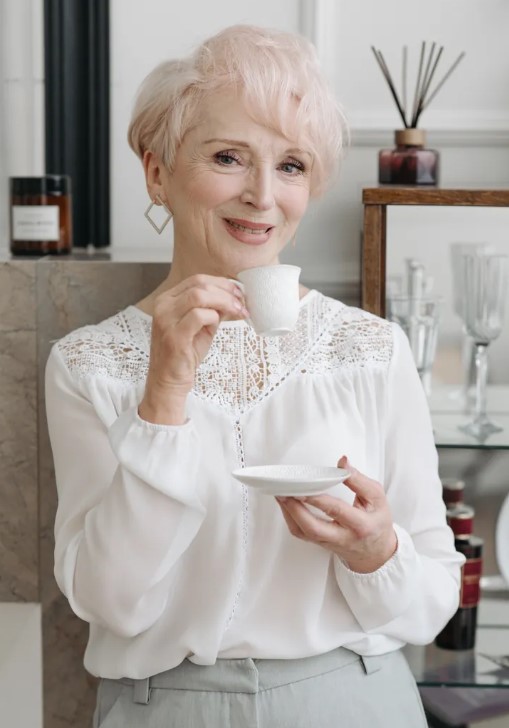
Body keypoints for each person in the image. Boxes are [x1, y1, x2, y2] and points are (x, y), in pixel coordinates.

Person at [45, 24, 464, 728]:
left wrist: (375, 552)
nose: (262, 195)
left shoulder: (372, 351)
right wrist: (162, 398)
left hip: (351, 701)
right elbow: (109, 601)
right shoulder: (89, 365)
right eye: (228, 157)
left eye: (291, 165)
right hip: (163, 709)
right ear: (156, 171)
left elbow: (431, 603)